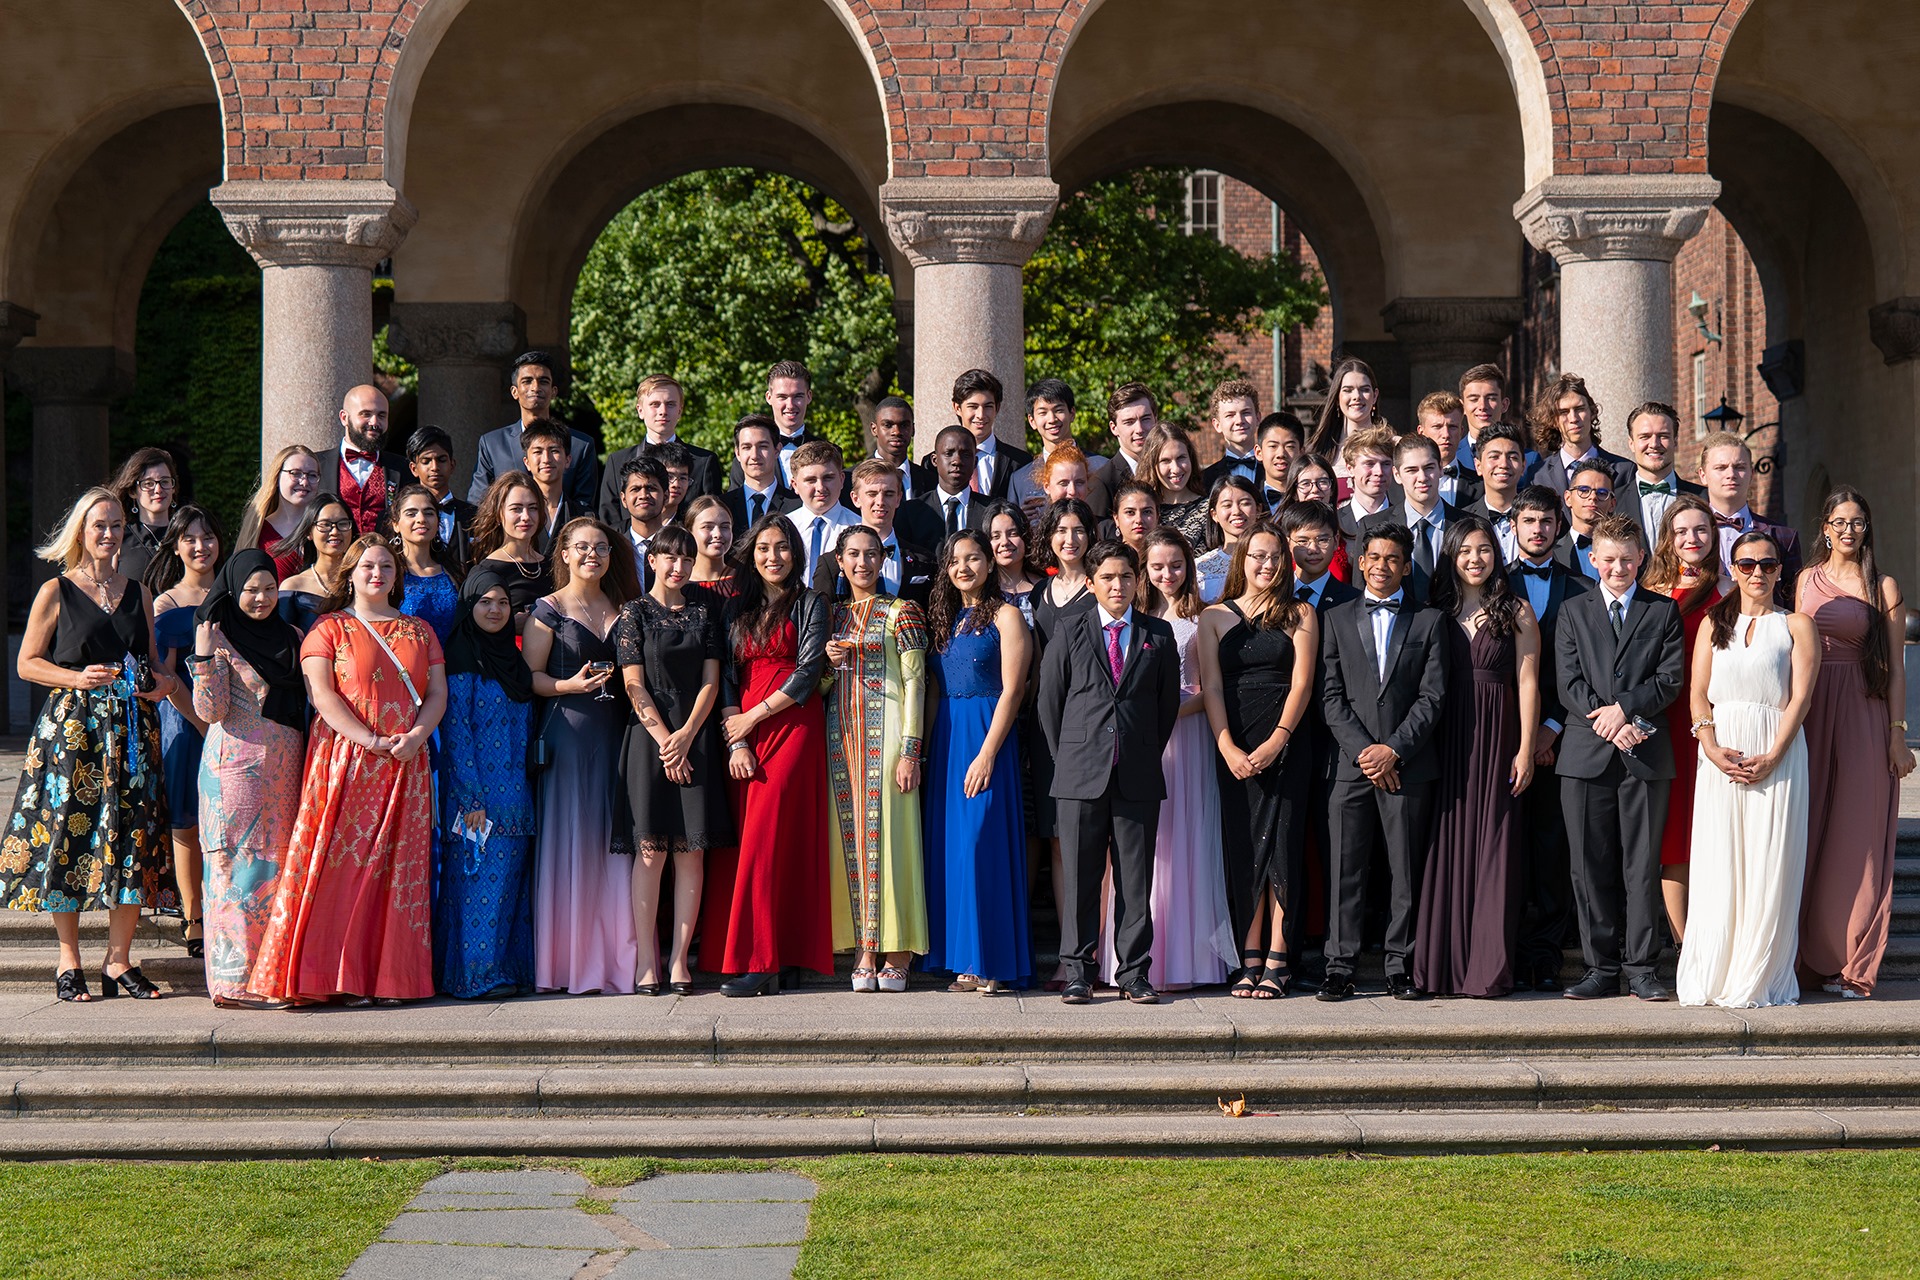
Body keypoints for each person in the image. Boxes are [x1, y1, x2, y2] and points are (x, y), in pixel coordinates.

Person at [248, 535, 445, 1005]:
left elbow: (437, 693)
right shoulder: (328, 629)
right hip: (347, 760)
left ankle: (391, 979)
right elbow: (323, 697)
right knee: (342, 870)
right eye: (367, 567)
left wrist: (416, 737)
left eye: (386, 567)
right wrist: (372, 741)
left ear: (397, 577)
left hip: (406, 762)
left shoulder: (420, 631)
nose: (377, 574)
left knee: (400, 871)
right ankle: (335, 977)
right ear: (351, 574)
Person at [0, 488, 174, 1002]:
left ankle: (118, 962)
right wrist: (75, 679)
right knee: (69, 835)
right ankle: (69, 957)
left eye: (117, 524)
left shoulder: (139, 590)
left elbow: (156, 663)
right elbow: (26, 662)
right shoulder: (57, 590)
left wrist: (162, 685)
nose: (109, 533)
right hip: (74, 730)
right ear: (81, 531)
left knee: (133, 840)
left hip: (132, 730)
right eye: (99, 524)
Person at [1037, 539, 1181, 1005]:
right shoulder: (1070, 628)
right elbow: (1050, 701)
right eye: (1107, 578)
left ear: (1137, 581)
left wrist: (1137, 750)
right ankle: (1079, 971)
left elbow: (1165, 707)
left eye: (1125, 577)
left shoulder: (1158, 636)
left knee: (1135, 880)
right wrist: (1071, 755)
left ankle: (1134, 973)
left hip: (1136, 772)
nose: (1117, 585)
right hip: (1080, 772)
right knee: (1081, 877)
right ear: (1093, 583)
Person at [1678, 529, 1817, 1009]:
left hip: (1777, 751)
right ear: (1731, 569)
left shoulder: (1797, 624)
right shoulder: (1712, 623)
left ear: (1781, 570)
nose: (1758, 572)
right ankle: (1715, 971)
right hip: (1720, 755)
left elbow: (1801, 697)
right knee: (1721, 861)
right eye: (1747, 564)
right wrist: (1710, 746)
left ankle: (1760, 974)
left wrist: (1776, 753)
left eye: (1768, 564)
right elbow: (1698, 692)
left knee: (1769, 862)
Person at [1554, 514, 1685, 1002]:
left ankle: (1642, 968)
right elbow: (1567, 680)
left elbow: (1669, 679)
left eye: (1627, 559)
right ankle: (1599, 968)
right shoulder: (1573, 611)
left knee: (1641, 865)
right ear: (1593, 559)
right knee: (1589, 866)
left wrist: (1626, 710)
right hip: (1586, 755)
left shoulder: (1661, 611)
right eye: (1608, 559)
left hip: (1646, 756)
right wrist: (1605, 718)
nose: (1618, 567)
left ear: (1641, 558)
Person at [1316, 523, 1448, 1002]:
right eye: (1373, 557)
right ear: (1360, 561)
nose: (1381, 566)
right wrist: (1366, 752)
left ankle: (1401, 965)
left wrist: (1394, 749)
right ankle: (1339, 965)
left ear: (1406, 565)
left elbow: (1433, 697)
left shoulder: (1430, 621)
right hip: (1349, 767)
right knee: (1344, 868)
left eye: (1392, 559)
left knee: (1405, 871)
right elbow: (1330, 697)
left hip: (1408, 765)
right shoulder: (1334, 618)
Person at [704, 513, 833, 995]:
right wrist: (736, 738)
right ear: (751, 555)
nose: (772, 556)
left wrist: (752, 719)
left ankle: (763, 963)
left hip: (792, 723)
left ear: (795, 553)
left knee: (773, 837)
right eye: (763, 548)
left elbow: (807, 674)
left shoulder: (811, 602)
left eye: (781, 547)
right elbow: (728, 678)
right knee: (752, 844)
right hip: (744, 728)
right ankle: (785, 952)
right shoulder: (737, 609)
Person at [1412, 515, 1541, 998]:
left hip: (1499, 734)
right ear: (1451, 556)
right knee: (1445, 844)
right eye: (1465, 550)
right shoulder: (1435, 613)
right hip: (1446, 736)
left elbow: (1527, 683)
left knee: (1495, 846)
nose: (1475, 558)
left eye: (1484, 549)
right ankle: (1442, 967)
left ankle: (1487, 967)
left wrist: (1526, 748)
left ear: (1496, 554)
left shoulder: (1517, 611)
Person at [1796, 487, 1914, 998]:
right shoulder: (1802, 580)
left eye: (1858, 522)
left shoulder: (1882, 585)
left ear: (1868, 529)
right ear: (1824, 526)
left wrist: (1897, 734)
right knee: (1809, 831)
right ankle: (1805, 957)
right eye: (1840, 521)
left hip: (1864, 713)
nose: (1848, 529)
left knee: (1858, 838)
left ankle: (1852, 962)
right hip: (1810, 711)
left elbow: (1896, 670)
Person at [523, 517, 639, 995]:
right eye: (583, 547)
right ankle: (568, 963)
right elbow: (530, 676)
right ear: (564, 554)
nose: (593, 554)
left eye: (602, 548)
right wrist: (568, 685)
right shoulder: (546, 610)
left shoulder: (624, 607)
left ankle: (617, 960)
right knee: (571, 839)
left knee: (615, 844)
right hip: (569, 734)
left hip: (618, 734)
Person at [1200, 525, 1317, 996]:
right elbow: (1210, 687)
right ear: (1241, 561)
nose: (1266, 565)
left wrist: (1277, 741)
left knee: (1282, 848)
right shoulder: (1213, 617)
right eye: (1257, 557)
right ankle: (1249, 956)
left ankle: (1279, 957)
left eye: (1274, 558)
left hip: (1286, 742)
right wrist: (1227, 745)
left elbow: (1303, 684)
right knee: (1244, 848)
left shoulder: (1301, 613)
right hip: (1234, 742)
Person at [189, 549, 308, 1006]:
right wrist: (202, 656)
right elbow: (210, 710)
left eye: (269, 589)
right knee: (232, 873)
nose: (261, 598)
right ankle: (233, 982)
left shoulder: (294, 636)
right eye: (250, 590)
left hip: (287, 771)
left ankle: (272, 975)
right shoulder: (219, 639)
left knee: (275, 872)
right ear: (233, 591)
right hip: (234, 772)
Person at [617, 525, 731, 995]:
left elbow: (712, 682)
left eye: (686, 558)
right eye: (669, 557)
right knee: (651, 852)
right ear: (653, 560)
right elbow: (632, 684)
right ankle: (648, 960)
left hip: (696, 735)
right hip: (648, 739)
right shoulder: (634, 613)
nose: (678, 566)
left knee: (691, 851)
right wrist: (667, 740)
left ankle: (681, 961)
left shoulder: (706, 612)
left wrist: (686, 736)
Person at [923, 529, 1032, 994]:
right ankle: (964, 960)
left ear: (989, 563)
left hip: (987, 735)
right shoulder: (944, 619)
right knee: (951, 851)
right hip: (947, 738)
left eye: (972, 558)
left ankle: (992, 960)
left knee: (981, 845)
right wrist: (924, 752)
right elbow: (932, 691)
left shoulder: (1007, 616)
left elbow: (1015, 689)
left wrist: (988, 752)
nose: (963, 567)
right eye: (954, 561)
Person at [823, 525, 930, 992]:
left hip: (887, 738)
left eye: (872, 554)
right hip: (841, 739)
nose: (863, 563)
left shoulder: (902, 612)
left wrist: (911, 750)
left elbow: (917, 684)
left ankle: (899, 947)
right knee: (852, 844)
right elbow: (822, 689)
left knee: (892, 840)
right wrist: (827, 666)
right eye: (854, 555)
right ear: (840, 562)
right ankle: (865, 945)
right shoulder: (833, 616)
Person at [436, 564, 538, 1000]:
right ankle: (474, 977)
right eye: (484, 602)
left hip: (517, 798)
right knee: (477, 891)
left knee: (508, 892)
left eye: (502, 602)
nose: (495, 610)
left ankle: (506, 970)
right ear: (468, 605)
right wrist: (471, 798)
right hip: (477, 800)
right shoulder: (461, 658)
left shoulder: (511, 660)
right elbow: (458, 734)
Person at [1507, 484, 1590, 991]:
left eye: (1546, 521)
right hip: (1502, 740)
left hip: (1565, 736)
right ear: (1513, 527)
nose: (1537, 529)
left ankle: (1547, 953)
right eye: (1528, 521)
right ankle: (1510, 949)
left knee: (1553, 846)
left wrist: (1551, 726)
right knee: (1507, 846)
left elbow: (1584, 669)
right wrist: (1520, 734)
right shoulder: (1491, 584)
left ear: (1559, 527)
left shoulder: (1582, 589)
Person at [1642, 495, 1724, 942]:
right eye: (1683, 531)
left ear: (1713, 537)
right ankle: (1682, 941)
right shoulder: (1650, 590)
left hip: (1714, 720)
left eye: (1701, 530)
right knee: (1674, 833)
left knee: (1710, 827)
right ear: (1668, 539)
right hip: (1664, 719)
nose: (1692, 539)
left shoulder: (1730, 590)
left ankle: (1713, 935)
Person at [147, 504, 225, 959]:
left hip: (232, 722)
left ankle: (221, 906)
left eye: (209, 537)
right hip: (184, 719)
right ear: (176, 546)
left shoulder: (233, 593)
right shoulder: (166, 603)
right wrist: (201, 722)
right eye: (191, 539)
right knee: (187, 817)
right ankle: (193, 914)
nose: (201, 546)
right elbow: (165, 677)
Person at [1030, 497, 1099, 986]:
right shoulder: (1038, 593)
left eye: (1078, 530)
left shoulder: (1103, 590)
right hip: (1044, 729)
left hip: (1091, 729)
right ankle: (1068, 952)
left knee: (1097, 844)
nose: (1069, 538)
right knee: (1058, 843)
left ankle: (1100, 953)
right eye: (1061, 530)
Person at [469, 351, 600, 510]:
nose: (535, 387)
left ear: (553, 391)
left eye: (543, 381)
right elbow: (478, 503)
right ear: (514, 392)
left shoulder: (580, 445)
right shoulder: (492, 444)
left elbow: (584, 507)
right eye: (527, 381)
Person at [599, 373, 723, 525]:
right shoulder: (617, 461)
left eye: (670, 404)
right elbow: (609, 520)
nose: (663, 411)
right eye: (655, 404)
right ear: (640, 410)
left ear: (680, 410)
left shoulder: (703, 462)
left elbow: (712, 516)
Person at [1698, 432, 1802, 603]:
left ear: (1751, 473)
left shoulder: (1784, 537)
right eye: (1721, 468)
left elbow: (1792, 601)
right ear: (1703, 475)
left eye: (1739, 467)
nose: (1731, 474)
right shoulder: (1685, 536)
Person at [1362, 434, 1458, 606]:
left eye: (1429, 467)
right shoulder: (1372, 525)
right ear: (1397, 475)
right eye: (1411, 470)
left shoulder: (1466, 525)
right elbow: (1361, 594)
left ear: (1441, 469)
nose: (1422, 477)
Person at [315, 384, 408, 535]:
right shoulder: (315, 465)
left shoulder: (402, 468)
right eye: (366, 414)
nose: (374, 422)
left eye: (382, 415)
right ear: (344, 418)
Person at [1525, 372, 1633, 499]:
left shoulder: (1625, 471)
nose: (1573, 418)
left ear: (1592, 412)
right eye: (1564, 412)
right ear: (1553, 420)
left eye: (1579, 409)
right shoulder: (1537, 475)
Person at [1010, 378, 1106, 520]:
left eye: (1058, 410)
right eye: (1043, 413)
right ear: (1032, 421)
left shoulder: (1102, 467)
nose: (1052, 419)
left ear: (1072, 413)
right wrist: (1020, 520)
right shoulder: (1019, 479)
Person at [844, 459, 935, 604]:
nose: (880, 501)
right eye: (872, 494)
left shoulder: (925, 560)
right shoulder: (833, 562)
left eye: (889, 494)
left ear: (898, 498)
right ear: (856, 499)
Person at [468, 472, 553, 625]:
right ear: (500, 513)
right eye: (516, 509)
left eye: (533, 508)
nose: (526, 516)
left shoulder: (552, 566)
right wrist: (511, 624)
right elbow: (475, 629)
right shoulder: (487, 570)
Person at [941, 368, 1031, 501]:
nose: (981, 415)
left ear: (997, 408)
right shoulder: (934, 463)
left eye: (988, 406)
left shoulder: (1021, 462)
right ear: (957, 408)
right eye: (973, 407)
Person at [728, 360, 822, 488]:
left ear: (809, 396)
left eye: (798, 396)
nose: (790, 405)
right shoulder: (746, 459)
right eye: (782, 397)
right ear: (768, 397)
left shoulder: (828, 452)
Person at [390, 484, 464, 644]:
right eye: (411, 513)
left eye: (429, 513)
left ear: (438, 522)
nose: (421, 519)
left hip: (453, 664)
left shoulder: (453, 571)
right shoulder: (389, 574)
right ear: (396, 524)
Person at [1623, 402, 1705, 542]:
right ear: (1631, 443)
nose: (1654, 444)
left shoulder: (1703, 498)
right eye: (1645, 436)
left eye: (1663, 436)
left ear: (1675, 442)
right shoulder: (1613, 502)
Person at [239, 444, 322, 581]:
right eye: (295, 473)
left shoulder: (327, 527)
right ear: (277, 477)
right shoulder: (258, 530)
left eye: (312, 475)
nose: (304, 481)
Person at [781, 440, 856, 591]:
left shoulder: (859, 528)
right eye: (810, 480)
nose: (820, 488)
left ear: (842, 480)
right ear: (794, 485)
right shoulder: (782, 528)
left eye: (828, 478)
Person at [276, 494, 356, 634]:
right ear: (309, 532)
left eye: (342, 524)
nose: (335, 532)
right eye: (325, 525)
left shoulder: (362, 579)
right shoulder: (293, 586)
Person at [1309, 357, 1389, 493]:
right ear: (1336, 398)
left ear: (1375, 396)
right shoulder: (1319, 450)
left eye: (1364, 389)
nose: (1357, 396)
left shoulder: (1393, 446)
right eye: (1348, 390)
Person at [404, 425, 478, 567]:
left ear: (452, 465)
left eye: (441, 460)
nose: (434, 467)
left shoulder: (475, 516)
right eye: (426, 461)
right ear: (414, 469)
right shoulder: (399, 517)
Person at [110, 446, 180, 585]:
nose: (158, 490)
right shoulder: (118, 537)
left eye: (165, 482)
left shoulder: (186, 534)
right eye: (148, 484)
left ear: (173, 488)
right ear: (132, 492)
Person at [724, 413, 801, 533]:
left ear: (777, 450)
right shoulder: (723, 506)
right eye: (747, 447)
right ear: (737, 453)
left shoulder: (798, 506)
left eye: (763, 446)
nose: (755, 455)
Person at [1194, 474, 1262, 604]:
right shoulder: (1199, 569)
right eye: (1227, 505)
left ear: (1258, 509)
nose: (1236, 511)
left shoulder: (1275, 559)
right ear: (1214, 515)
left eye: (1245, 503)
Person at [1465, 426, 1529, 563]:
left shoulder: (1539, 519)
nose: (1504, 464)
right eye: (1494, 457)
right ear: (1478, 466)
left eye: (1512, 457)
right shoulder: (1462, 520)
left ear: (1523, 466)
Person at [863, 394, 936, 510]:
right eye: (888, 425)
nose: (896, 432)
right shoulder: (851, 479)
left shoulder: (931, 481)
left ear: (913, 429)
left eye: (904, 425)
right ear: (874, 429)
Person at [1142, 422, 1209, 546]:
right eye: (1165, 461)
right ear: (1151, 464)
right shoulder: (1143, 511)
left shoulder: (1211, 509)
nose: (1176, 469)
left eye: (1181, 458)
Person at [1338, 427, 1398, 564]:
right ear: (1350, 468)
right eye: (1369, 464)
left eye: (1386, 464)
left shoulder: (1405, 520)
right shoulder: (1334, 523)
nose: (1379, 471)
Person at [520, 419, 581, 552]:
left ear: (567, 460)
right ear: (527, 462)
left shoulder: (584, 516)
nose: (546, 459)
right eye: (538, 452)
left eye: (554, 451)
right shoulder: (515, 515)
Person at [1414, 392, 1483, 508]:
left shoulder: (1481, 486)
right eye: (1437, 427)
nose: (1446, 434)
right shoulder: (1398, 485)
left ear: (1461, 431)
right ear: (1421, 432)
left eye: (1452, 427)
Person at [1554, 458, 1618, 581]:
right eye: (1584, 490)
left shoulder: (1625, 553)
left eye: (1602, 493)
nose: (1593, 497)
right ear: (1568, 498)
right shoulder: (1552, 553)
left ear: (1612, 504)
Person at [613, 455, 672, 588]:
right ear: (623, 499)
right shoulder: (613, 548)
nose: (644, 495)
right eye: (635, 489)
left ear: (666, 496)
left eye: (651, 488)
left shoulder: (680, 545)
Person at [1200, 378, 1263, 492]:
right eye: (1230, 415)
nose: (1239, 420)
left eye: (1246, 413)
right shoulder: (1204, 479)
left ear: (1258, 418)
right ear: (1217, 424)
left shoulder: (1275, 470)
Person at [1099, 382, 1159, 492]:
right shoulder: (1103, 482)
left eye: (1145, 419)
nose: (1139, 429)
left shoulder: (1170, 471)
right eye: (1129, 422)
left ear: (1155, 420)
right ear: (1114, 428)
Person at [986, 500, 1039, 625]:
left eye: (1013, 534)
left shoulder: (1043, 588)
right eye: (996, 536)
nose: (1005, 542)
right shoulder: (981, 590)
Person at [683, 495, 737, 593]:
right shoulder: (678, 583)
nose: (718, 534)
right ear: (690, 532)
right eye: (707, 527)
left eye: (724, 527)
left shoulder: (746, 582)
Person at [1255, 414, 1306, 515]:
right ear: (1259, 452)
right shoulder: (1251, 502)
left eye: (1290, 446)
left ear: (1301, 452)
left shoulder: (1310, 499)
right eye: (1273, 446)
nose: (1281, 454)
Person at [1110, 482, 1159, 556]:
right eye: (1130, 512)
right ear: (1116, 519)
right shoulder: (1107, 562)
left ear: (1157, 517)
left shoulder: (1170, 558)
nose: (1139, 520)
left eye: (1147, 512)